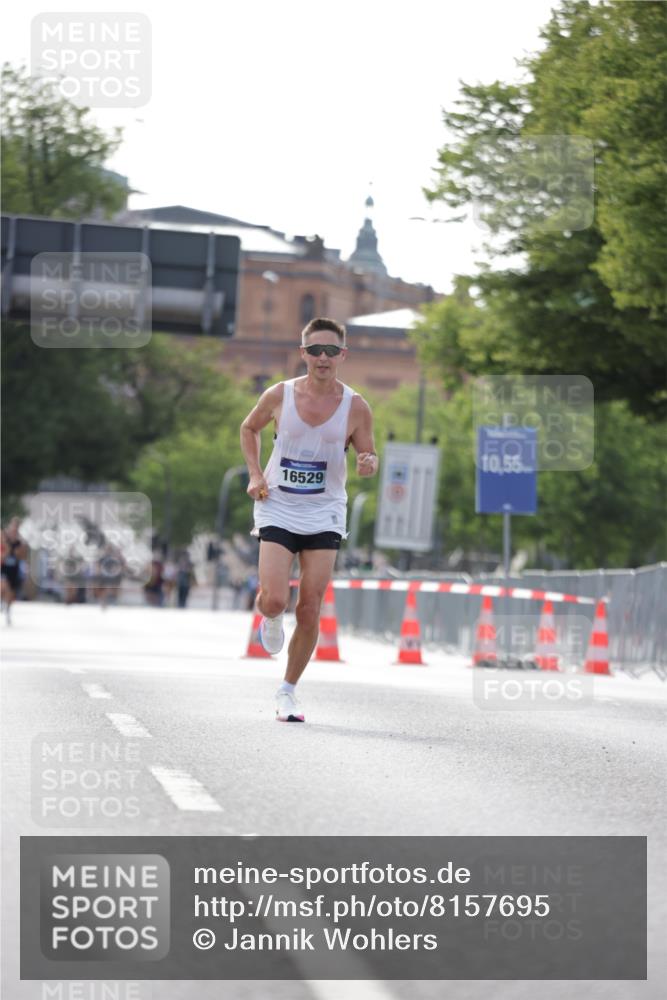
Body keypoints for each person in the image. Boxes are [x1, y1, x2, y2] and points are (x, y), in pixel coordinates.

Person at [240, 317, 378, 722]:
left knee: (310, 606)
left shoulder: (356, 406)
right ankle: (269, 614)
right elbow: (249, 428)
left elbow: (367, 454)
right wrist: (254, 474)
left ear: (342, 355)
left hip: (325, 511)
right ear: (303, 353)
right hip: (278, 504)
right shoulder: (279, 395)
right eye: (315, 350)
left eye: (330, 351)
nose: (323, 357)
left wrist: (368, 462)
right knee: (276, 599)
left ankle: (287, 691)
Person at [1, 517, 28, 624]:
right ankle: (2, 603)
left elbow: (23, 557)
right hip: (3, 567)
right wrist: (5, 553)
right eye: (13, 526)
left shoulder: (20, 541)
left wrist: (19, 553)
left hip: (14, 569)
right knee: (3, 586)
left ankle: (7, 609)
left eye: (17, 527)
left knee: (11, 593)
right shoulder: (4, 537)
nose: (14, 529)